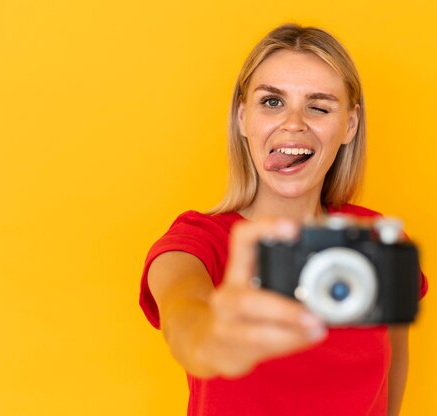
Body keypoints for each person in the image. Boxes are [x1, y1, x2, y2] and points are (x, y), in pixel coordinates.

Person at [139, 24, 428, 416]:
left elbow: (394, 363)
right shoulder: (195, 242)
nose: (293, 123)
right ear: (243, 118)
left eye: (319, 106)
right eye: (272, 102)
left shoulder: (374, 238)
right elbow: (183, 317)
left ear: (350, 124)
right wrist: (208, 340)